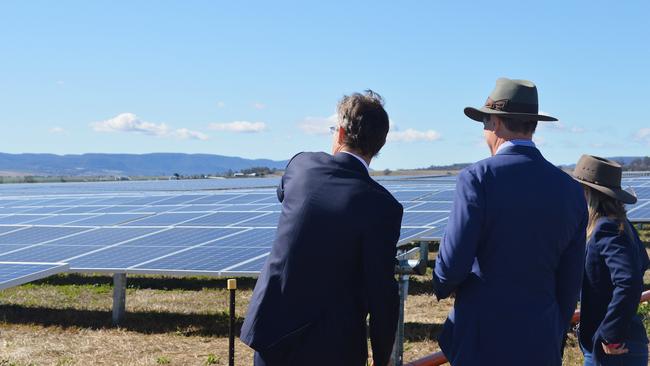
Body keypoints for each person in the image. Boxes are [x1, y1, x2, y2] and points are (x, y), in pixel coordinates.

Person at [240, 90, 403, 366]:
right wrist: (382, 355)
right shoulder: (383, 206)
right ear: (379, 146)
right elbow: (381, 293)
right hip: (335, 347)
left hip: (274, 336)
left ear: (339, 133)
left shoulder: (301, 166)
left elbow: (283, 195)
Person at [432, 78, 588, 365]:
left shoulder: (478, 178)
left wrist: (441, 285)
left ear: (496, 123)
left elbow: (453, 261)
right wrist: (553, 328)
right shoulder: (570, 190)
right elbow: (570, 281)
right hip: (541, 339)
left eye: (484, 123)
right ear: (532, 125)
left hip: (483, 340)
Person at [573, 155, 650, 366]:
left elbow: (628, 281)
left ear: (587, 192)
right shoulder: (621, 224)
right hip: (621, 346)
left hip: (615, 350)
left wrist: (611, 334)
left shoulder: (606, 228)